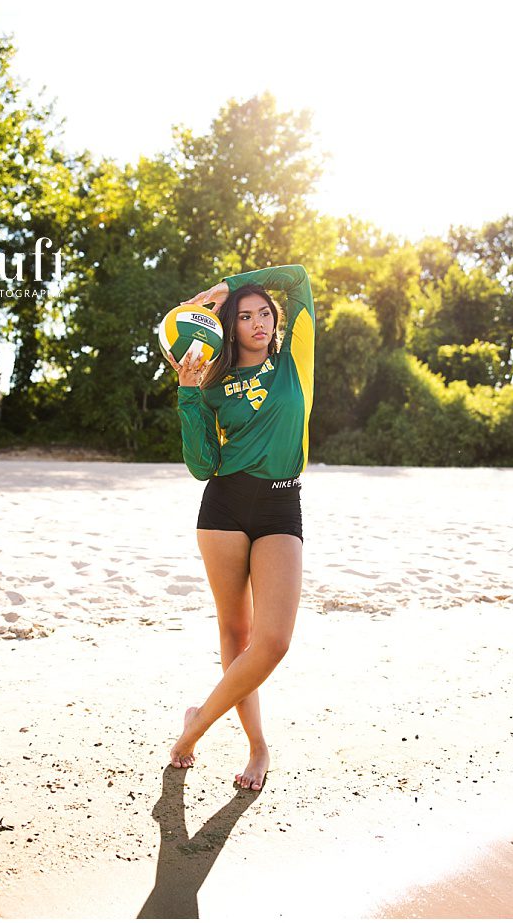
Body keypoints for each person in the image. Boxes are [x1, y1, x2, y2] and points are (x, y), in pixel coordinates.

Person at [164, 265, 316, 792]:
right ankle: (257, 746)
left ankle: (195, 726)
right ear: (230, 329)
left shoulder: (294, 361)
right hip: (224, 508)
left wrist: (231, 285)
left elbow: (297, 278)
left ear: (276, 320)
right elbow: (202, 465)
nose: (257, 322)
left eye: (264, 313)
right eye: (245, 317)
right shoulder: (213, 384)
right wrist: (188, 393)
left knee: (273, 642)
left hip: (280, 507)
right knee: (236, 633)